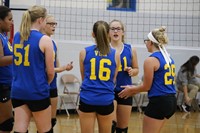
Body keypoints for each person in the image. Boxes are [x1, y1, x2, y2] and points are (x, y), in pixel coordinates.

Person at [119, 26, 177, 133]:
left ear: (151, 42)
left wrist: (131, 90)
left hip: (159, 102)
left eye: (146, 41)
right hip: (171, 101)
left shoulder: (150, 60)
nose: (145, 43)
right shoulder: (169, 58)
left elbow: (147, 86)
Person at [11, 5, 55, 133]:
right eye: (46, 20)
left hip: (18, 90)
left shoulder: (18, 36)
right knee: (45, 130)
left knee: (20, 129)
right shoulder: (45, 39)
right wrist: (44, 83)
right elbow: (51, 72)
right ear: (40, 20)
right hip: (37, 91)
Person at [78, 20, 120, 133]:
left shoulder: (84, 52)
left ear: (93, 34)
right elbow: (113, 79)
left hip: (87, 98)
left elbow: (83, 77)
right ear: (108, 34)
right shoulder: (115, 54)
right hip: (106, 100)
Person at [42, 15, 73, 130]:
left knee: (52, 120)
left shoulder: (54, 42)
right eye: (51, 23)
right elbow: (44, 68)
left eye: (55, 24)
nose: (53, 26)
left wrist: (65, 67)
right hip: (42, 84)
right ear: (43, 24)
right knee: (42, 121)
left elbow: (56, 66)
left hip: (53, 83)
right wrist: (62, 68)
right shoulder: (40, 41)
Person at [109, 19, 139, 133]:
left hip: (125, 91)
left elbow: (137, 69)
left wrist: (132, 71)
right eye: (112, 29)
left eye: (118, 29)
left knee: (122, 129)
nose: (115, 31)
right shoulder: (104, 49)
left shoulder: (130, 49)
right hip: (109, 91)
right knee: (111, 126)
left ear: (123, 32)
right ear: (108, 32)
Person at [0, 5, 14, 133]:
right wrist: (18, 57)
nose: (11, 22)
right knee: (6, 124)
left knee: (6, 124)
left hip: (8, 85)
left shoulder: (4, 36)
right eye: (9, 19)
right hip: (1, 85)